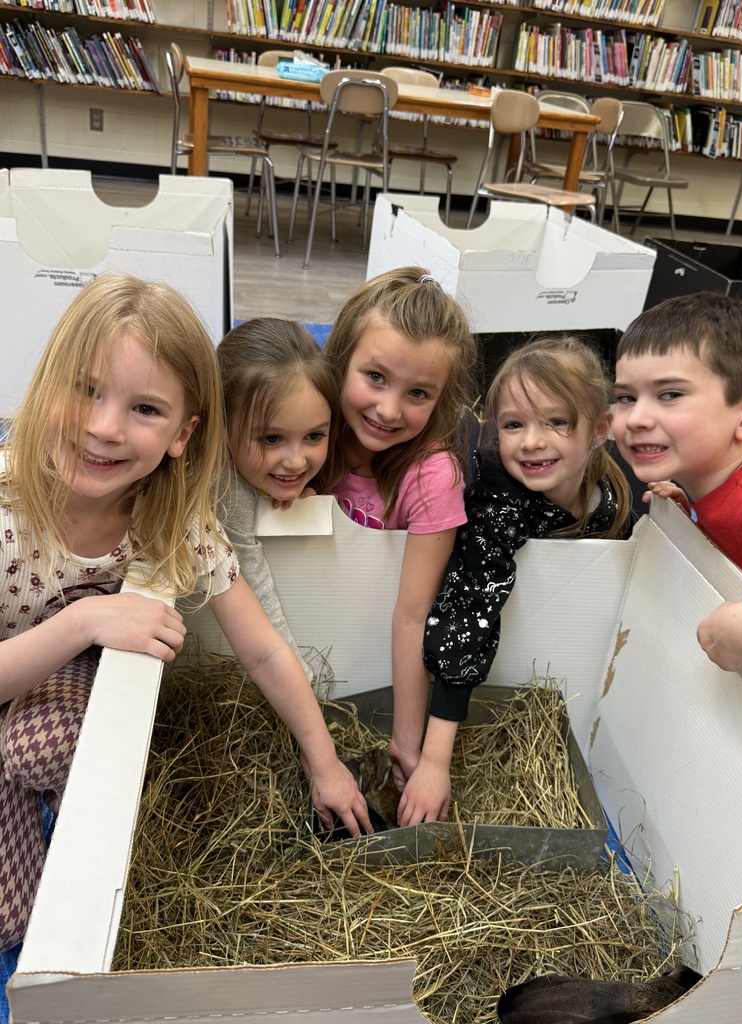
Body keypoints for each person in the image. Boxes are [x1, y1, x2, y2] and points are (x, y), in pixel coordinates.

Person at [0, 276, 371, 953]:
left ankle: (33, 801)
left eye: (144, 408)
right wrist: (87, 622)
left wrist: (324, 762)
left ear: (184, 432)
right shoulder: (7, 505)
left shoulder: (172, 520)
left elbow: (261, 649)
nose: (104, 428)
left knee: (14, 907)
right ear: (46, 381)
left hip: (37, 706)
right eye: (85, 390)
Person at [409, 336, 633, 826]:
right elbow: (467, 616)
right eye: (514, 425)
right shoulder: (498, 506)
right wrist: (433, 761)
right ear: (495, 431)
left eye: (556, 422)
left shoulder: (614, 485)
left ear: (599, 429)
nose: (532, 441)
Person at [321, 267, 478, 819]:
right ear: (340, 361)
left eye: (418, 394)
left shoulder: (433, 476)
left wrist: (410, 747)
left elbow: (413, 616)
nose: (389, 410)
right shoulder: (307, 432)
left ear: (442, 400)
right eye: (376, 377)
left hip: (366, 672)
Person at [612, 291, 742, 673]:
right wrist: (692, 509)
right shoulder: (721, 485)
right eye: (626, 397)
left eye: (670, 394)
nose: (636, 419)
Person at [217, 318, 336, 682]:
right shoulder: (223, 486)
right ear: (220, 426)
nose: (297, 461)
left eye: (314, 436)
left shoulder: (252, 466)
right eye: (271, 439)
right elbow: (250, 577)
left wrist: (278, 487)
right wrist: (300, 679)